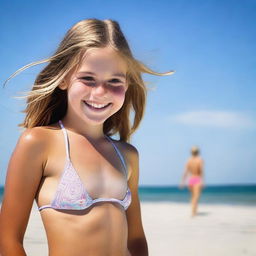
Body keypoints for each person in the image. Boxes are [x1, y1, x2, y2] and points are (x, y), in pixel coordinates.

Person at [0, 19, 173, 256]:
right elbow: (8, 240)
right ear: (62, 78)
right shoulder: (39, 143)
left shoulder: (127, 155)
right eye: (88, 79)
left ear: (127, 85)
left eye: (114, 81)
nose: (100, 92)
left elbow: (136, 239)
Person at [180, 146, 204, 217]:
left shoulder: (189, 160)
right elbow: (201, 171)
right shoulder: (200, 160)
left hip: (191, 179)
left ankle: (193, 211)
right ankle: (194, 212)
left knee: (193, 196)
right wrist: (202, 181)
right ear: (198, 152)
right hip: (197, 178)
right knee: (196, 197)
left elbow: (185, 172)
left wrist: (182, 182)